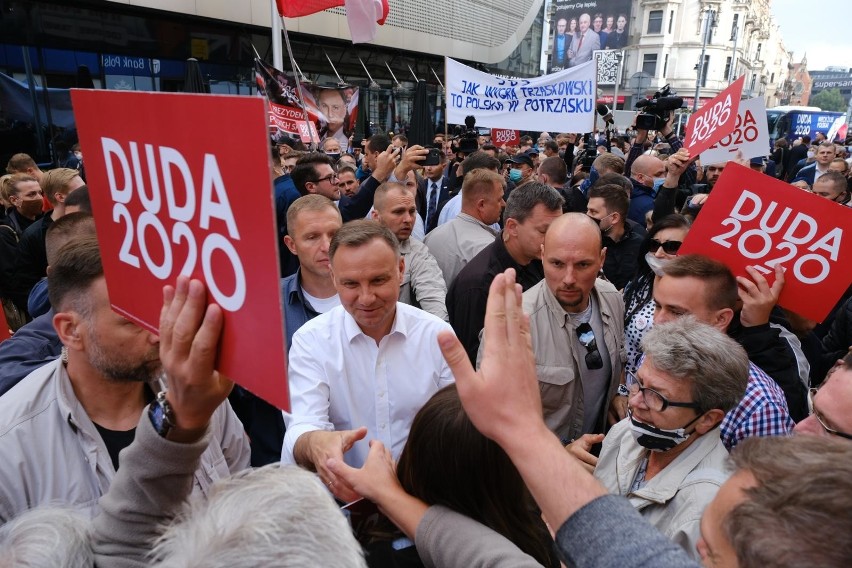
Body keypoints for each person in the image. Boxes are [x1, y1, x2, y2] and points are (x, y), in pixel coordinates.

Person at [86, 275, 366, 568]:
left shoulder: (199, 390)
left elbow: (239, 469)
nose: (157, 334)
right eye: (129, 319)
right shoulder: (32, 426)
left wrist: (183, 415)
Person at [0, 236, 250, 523]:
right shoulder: (11, 447)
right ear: (70, 330)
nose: (158, 334)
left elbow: (240, 486)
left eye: (160, 311)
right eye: (132, 319)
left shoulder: (193, 387)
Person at [282, 220, 454, 502]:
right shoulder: (310, 341)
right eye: (351, 283)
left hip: (425, 501)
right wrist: (315, 442)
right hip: (347, 511)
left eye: (378, 280)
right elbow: (302, 424)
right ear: (334, 278)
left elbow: (455, 427)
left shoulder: (437, 336)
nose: (366, 297)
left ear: (401, 271)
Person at [591, 318, 748, 558]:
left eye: (657, 396)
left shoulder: (706, 509)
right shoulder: (625, 433)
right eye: (639, 383)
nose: (634, 402)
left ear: (708, 419)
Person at [480, 213, 625, 444]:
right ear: (543, 254)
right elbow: (492, 422)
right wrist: (559, 457)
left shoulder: (613, 300)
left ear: (602, 259)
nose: (568, 278)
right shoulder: (513, 324)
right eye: (557, 263)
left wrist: (614, 396)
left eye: (583, 265)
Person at [653, 255, 799, 445]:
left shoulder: (758, 406)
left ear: (721, 319)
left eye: (677, 312)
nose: (658, 320)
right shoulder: (656, 352)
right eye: (657, 306)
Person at [448, 183, 563, 364]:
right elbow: (475, 361)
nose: (555, 238)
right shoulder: (478, 285)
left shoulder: (540, 260)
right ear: (512, 227)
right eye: (544, 231)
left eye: (558, 230)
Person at [9, 168, 85, 315]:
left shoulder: (91, 223)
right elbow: (23, 287)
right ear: (60, 196)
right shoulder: (33, 236)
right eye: (80, 190)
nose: (86, 193)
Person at [622, 214, 691, 374]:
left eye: (672, 246)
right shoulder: (639, 284)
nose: (659, 253)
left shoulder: (693, 298)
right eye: (654, 245)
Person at [371, 182, 448, 321]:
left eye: (412, 211)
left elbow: (434, 299)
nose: (408, 219)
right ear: (376, 217)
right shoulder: (355, 250)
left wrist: (441, 336)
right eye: (398, 212)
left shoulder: (418, 252)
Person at [424, 168, 504, 287]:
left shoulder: (431, 236)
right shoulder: (488, 248)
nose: (503, 203)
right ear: (481, 204)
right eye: (499, 199)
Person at [586, 183, 644, 290]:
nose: (587, 215)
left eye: (593, 212)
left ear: (614, 218)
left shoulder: (640, 245)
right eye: (588, 210)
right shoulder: (585, 242)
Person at [415, 150, 450, 233]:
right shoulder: (419, 186)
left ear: (443, 166)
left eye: (433, 164)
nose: (428, 168)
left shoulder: (450, 186)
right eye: (427, 164)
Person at [317, 87, 351, 152]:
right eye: (324, 106)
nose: (330, 114)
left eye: (335, 107)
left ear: (344, 110)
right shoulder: (319, 136)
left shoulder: (346, 142)